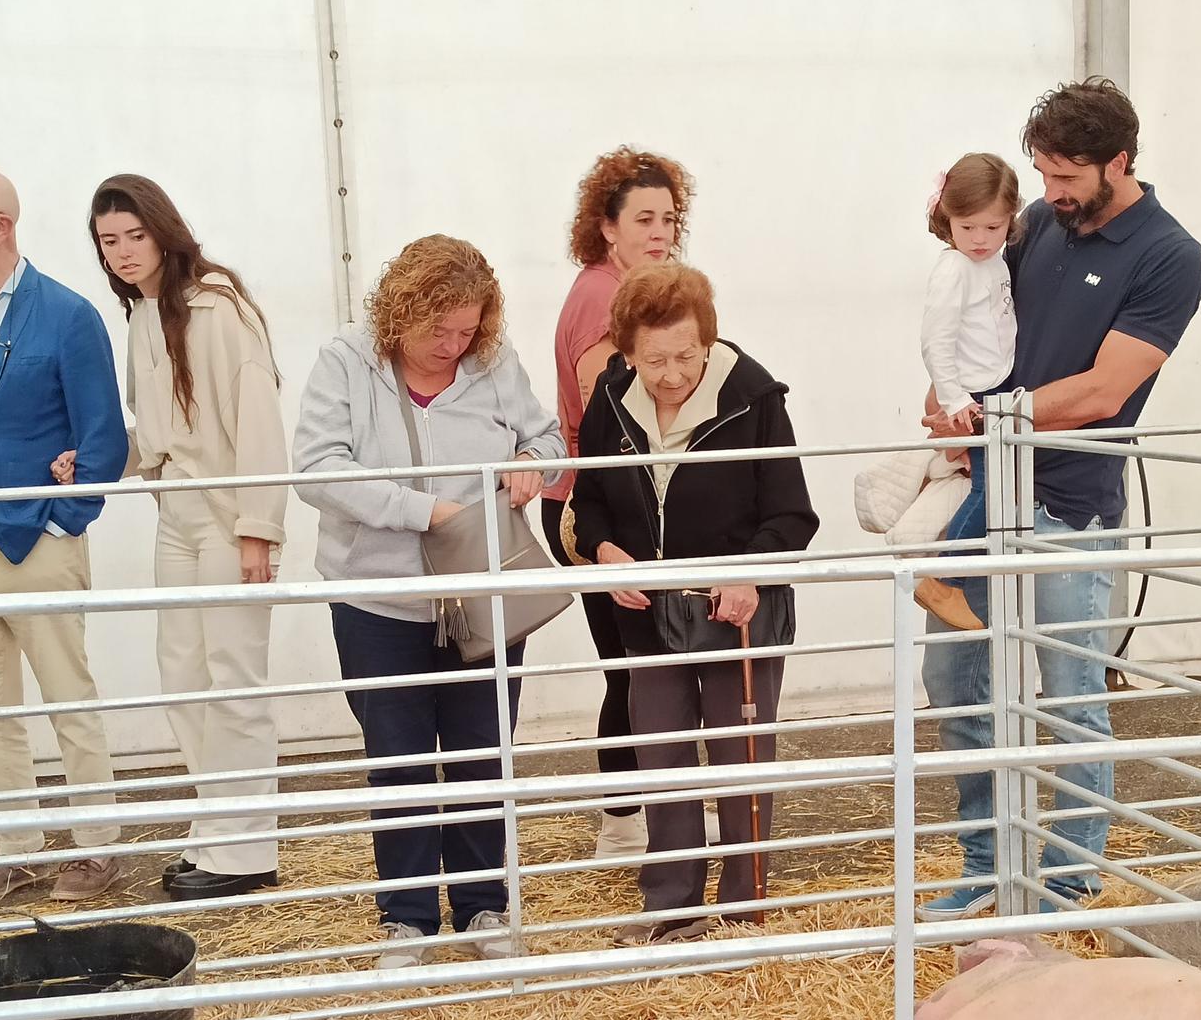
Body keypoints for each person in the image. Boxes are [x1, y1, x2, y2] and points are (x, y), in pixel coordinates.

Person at [918, 78, 1201, 921]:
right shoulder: (1040, 223)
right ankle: (986, 864)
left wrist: (992, 415)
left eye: (1066, 177)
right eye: (1043, 175)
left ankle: (1068, 880)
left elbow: (1105, 390)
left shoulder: (1168, 254)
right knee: (957, 677)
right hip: (985, 488)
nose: (1048, 195)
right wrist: (948, 396)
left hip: (1070, 501)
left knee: (1071, 694)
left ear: (1119, 162)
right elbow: (979, 323)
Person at [294, 235, 562, 968]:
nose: (453, 344)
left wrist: (530, 465)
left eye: (467, 329)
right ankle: (406, 918)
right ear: (400, 312)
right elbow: (317, 470)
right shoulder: (346, 362)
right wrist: (422, 511)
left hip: (481, 582)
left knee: (482, 752)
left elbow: (548, 435)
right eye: (437, 329)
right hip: (379, 599)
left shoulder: (494, 361)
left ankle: (483, 907)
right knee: (400, 757)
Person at [568, 262, 819, 944]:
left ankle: (744, 910)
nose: (672, 374)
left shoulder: (754, 396)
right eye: (654, 360)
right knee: (663, 761)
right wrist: (603, 551)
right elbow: (587, 499)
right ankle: (672, 910)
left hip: (733, 614)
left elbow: (792, 515)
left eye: (686, 355)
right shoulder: (612, 399)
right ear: (625, 353)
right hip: (647, 615)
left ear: (708, 340)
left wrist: (751, 575)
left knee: (741, 765)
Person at [0, 169, 129, 903]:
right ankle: (19, 848)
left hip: (36, 539)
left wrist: (61, 519)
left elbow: (103, 439)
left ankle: (98, 846)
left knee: (67, 693)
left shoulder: (67, 316)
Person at [88, 174, 289, 899]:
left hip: (228, 514)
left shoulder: (219, 310)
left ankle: (246, 854)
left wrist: (259, 529)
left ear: (163, 230)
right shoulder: (144, 315)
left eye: (134, 236)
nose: (122, 252)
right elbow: (168, 432)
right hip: (175, 513)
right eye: (108, 241)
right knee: (183, 677)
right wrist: (102, 456)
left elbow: (258, 424)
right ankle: (217, 836)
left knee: (234, 680)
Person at [545, 148, 695, 861]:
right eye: (644, 218)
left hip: (635, 500)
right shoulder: (602, 296)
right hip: (591, 503)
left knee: (656, 660)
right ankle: (623, 821)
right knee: (632, 664)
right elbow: (607, 415)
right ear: (607, 227)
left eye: (669, 217)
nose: (660, 229)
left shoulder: (651, 289)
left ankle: (661, 814)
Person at [915, 151, 1021, 632]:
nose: (979, 239)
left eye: (992, 228)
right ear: (947, 219)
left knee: (998, 487)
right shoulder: (953, 269)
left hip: (998, 383)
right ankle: (944, 578)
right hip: (975, 395)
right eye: (968, 226)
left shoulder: (993, 262)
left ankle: (955, 575)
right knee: (988, 488)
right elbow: (935, 340)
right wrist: (955, 399)